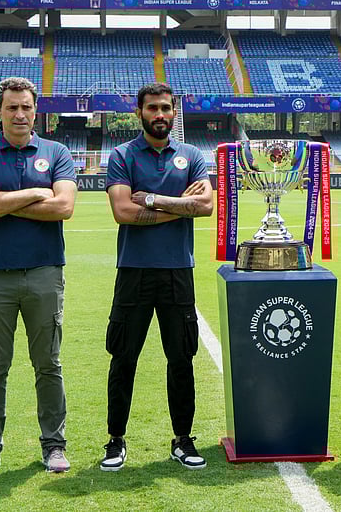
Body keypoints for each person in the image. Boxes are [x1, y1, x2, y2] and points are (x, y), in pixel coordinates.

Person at [0, 76, 78, 478]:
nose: (20, 114)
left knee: (49, 363)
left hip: (45, 271)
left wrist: (3, 202)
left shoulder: (56, 151)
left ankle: (54, 445)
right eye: (12, 107)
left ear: (35, 110)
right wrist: (34, 193)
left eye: (26, 106)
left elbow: (63, 207)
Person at [101, 82, 215, 472]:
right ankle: (115, 440)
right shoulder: (122, 155)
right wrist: (182, 206)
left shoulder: (192, 155)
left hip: (177, 271)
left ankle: (183, 439)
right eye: (153, 108)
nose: (161, 114)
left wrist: (151, 199)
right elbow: (122, 212)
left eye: (167, 108)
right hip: (134, 271)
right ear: (140, 113)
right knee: (123, 357)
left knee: (181, 358)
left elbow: (206, 207)